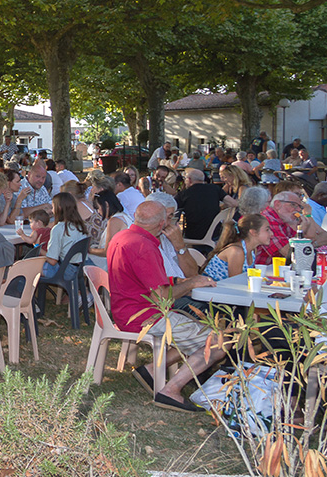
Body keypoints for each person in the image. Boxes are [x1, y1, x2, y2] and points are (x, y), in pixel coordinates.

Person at [106, 200, 222, 412]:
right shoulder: (144, 246)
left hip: (127, 311)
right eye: (169, 218)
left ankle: (152, 370)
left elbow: (141, 279)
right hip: (146, 317)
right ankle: (170, 390)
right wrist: (191, 283)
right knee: (220, 341)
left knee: (199, 326)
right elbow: (161, 298)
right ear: (161, 224)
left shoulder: (123, 236)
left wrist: (177, 282)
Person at [255, 189, 327, 265]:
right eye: (293, 205)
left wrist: (308, 215)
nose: (298, 210)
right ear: (277, 204)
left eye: (299, 207)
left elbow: (312, 237)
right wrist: (301, 231)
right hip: (263, 271)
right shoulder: (268, 220)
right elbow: (289, 253)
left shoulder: (284, 218)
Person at [201, 213, 272, 281]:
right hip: (210, 289)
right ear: (253, 232)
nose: (271, 234)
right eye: (267, 230)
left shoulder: (253, 250)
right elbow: (235, 283)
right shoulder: (236, 252)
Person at [42, 192, 89, 283]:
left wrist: (37, 247)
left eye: (52, 207)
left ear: (59, 208)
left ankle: (21, 295)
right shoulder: (80, 225)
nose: (52, 210)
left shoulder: (58, 229)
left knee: (30, 268)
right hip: (79, 268)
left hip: (66, 271)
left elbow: (52, 261)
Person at [175, 167, 226, 241]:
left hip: (193, 235)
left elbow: (172, 208)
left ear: (189, 179)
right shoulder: (215, 189)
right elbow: (232, 203)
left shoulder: (184, 194)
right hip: (215, 234)